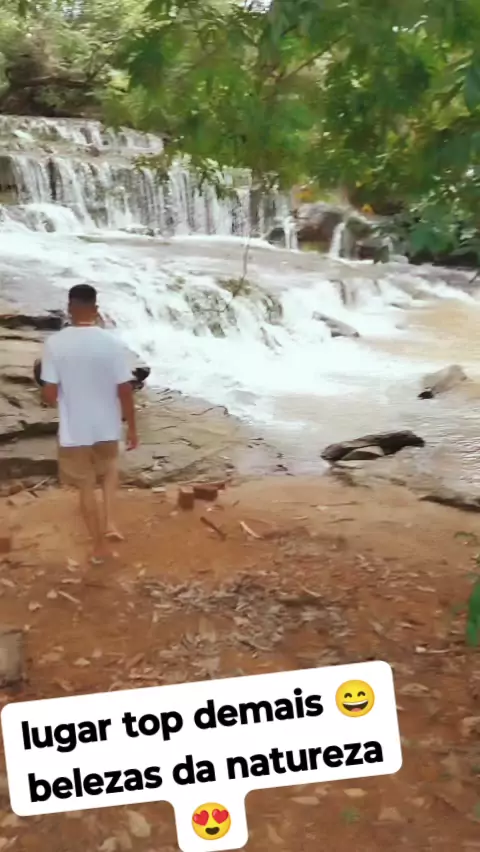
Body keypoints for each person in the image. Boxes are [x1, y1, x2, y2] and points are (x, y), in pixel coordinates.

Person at [40, 284, 138, 564]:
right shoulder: (113, 343)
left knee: (85, 485)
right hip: (107, 426)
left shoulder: (54, 344)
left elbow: (49, 395)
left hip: (75, 430)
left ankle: (99, 547)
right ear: (96, 309)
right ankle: (110, 524)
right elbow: (125, 390)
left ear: (69, 308)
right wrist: (132, 427)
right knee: (109, 471)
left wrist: (55, 392)